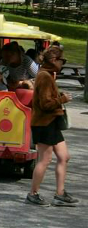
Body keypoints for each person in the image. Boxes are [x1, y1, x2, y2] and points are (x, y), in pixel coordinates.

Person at [25, 46, 78, 207]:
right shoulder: (44, 76)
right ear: (54, 60)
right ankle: (33, 194)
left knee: (64, 157)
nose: (63, 64)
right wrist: (62, 100)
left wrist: (59, 97)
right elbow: (45, 104)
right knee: (45, 159)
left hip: (51, 123)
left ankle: (60, 194)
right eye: (62, 61)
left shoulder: (47, 75)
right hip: (44, 124)